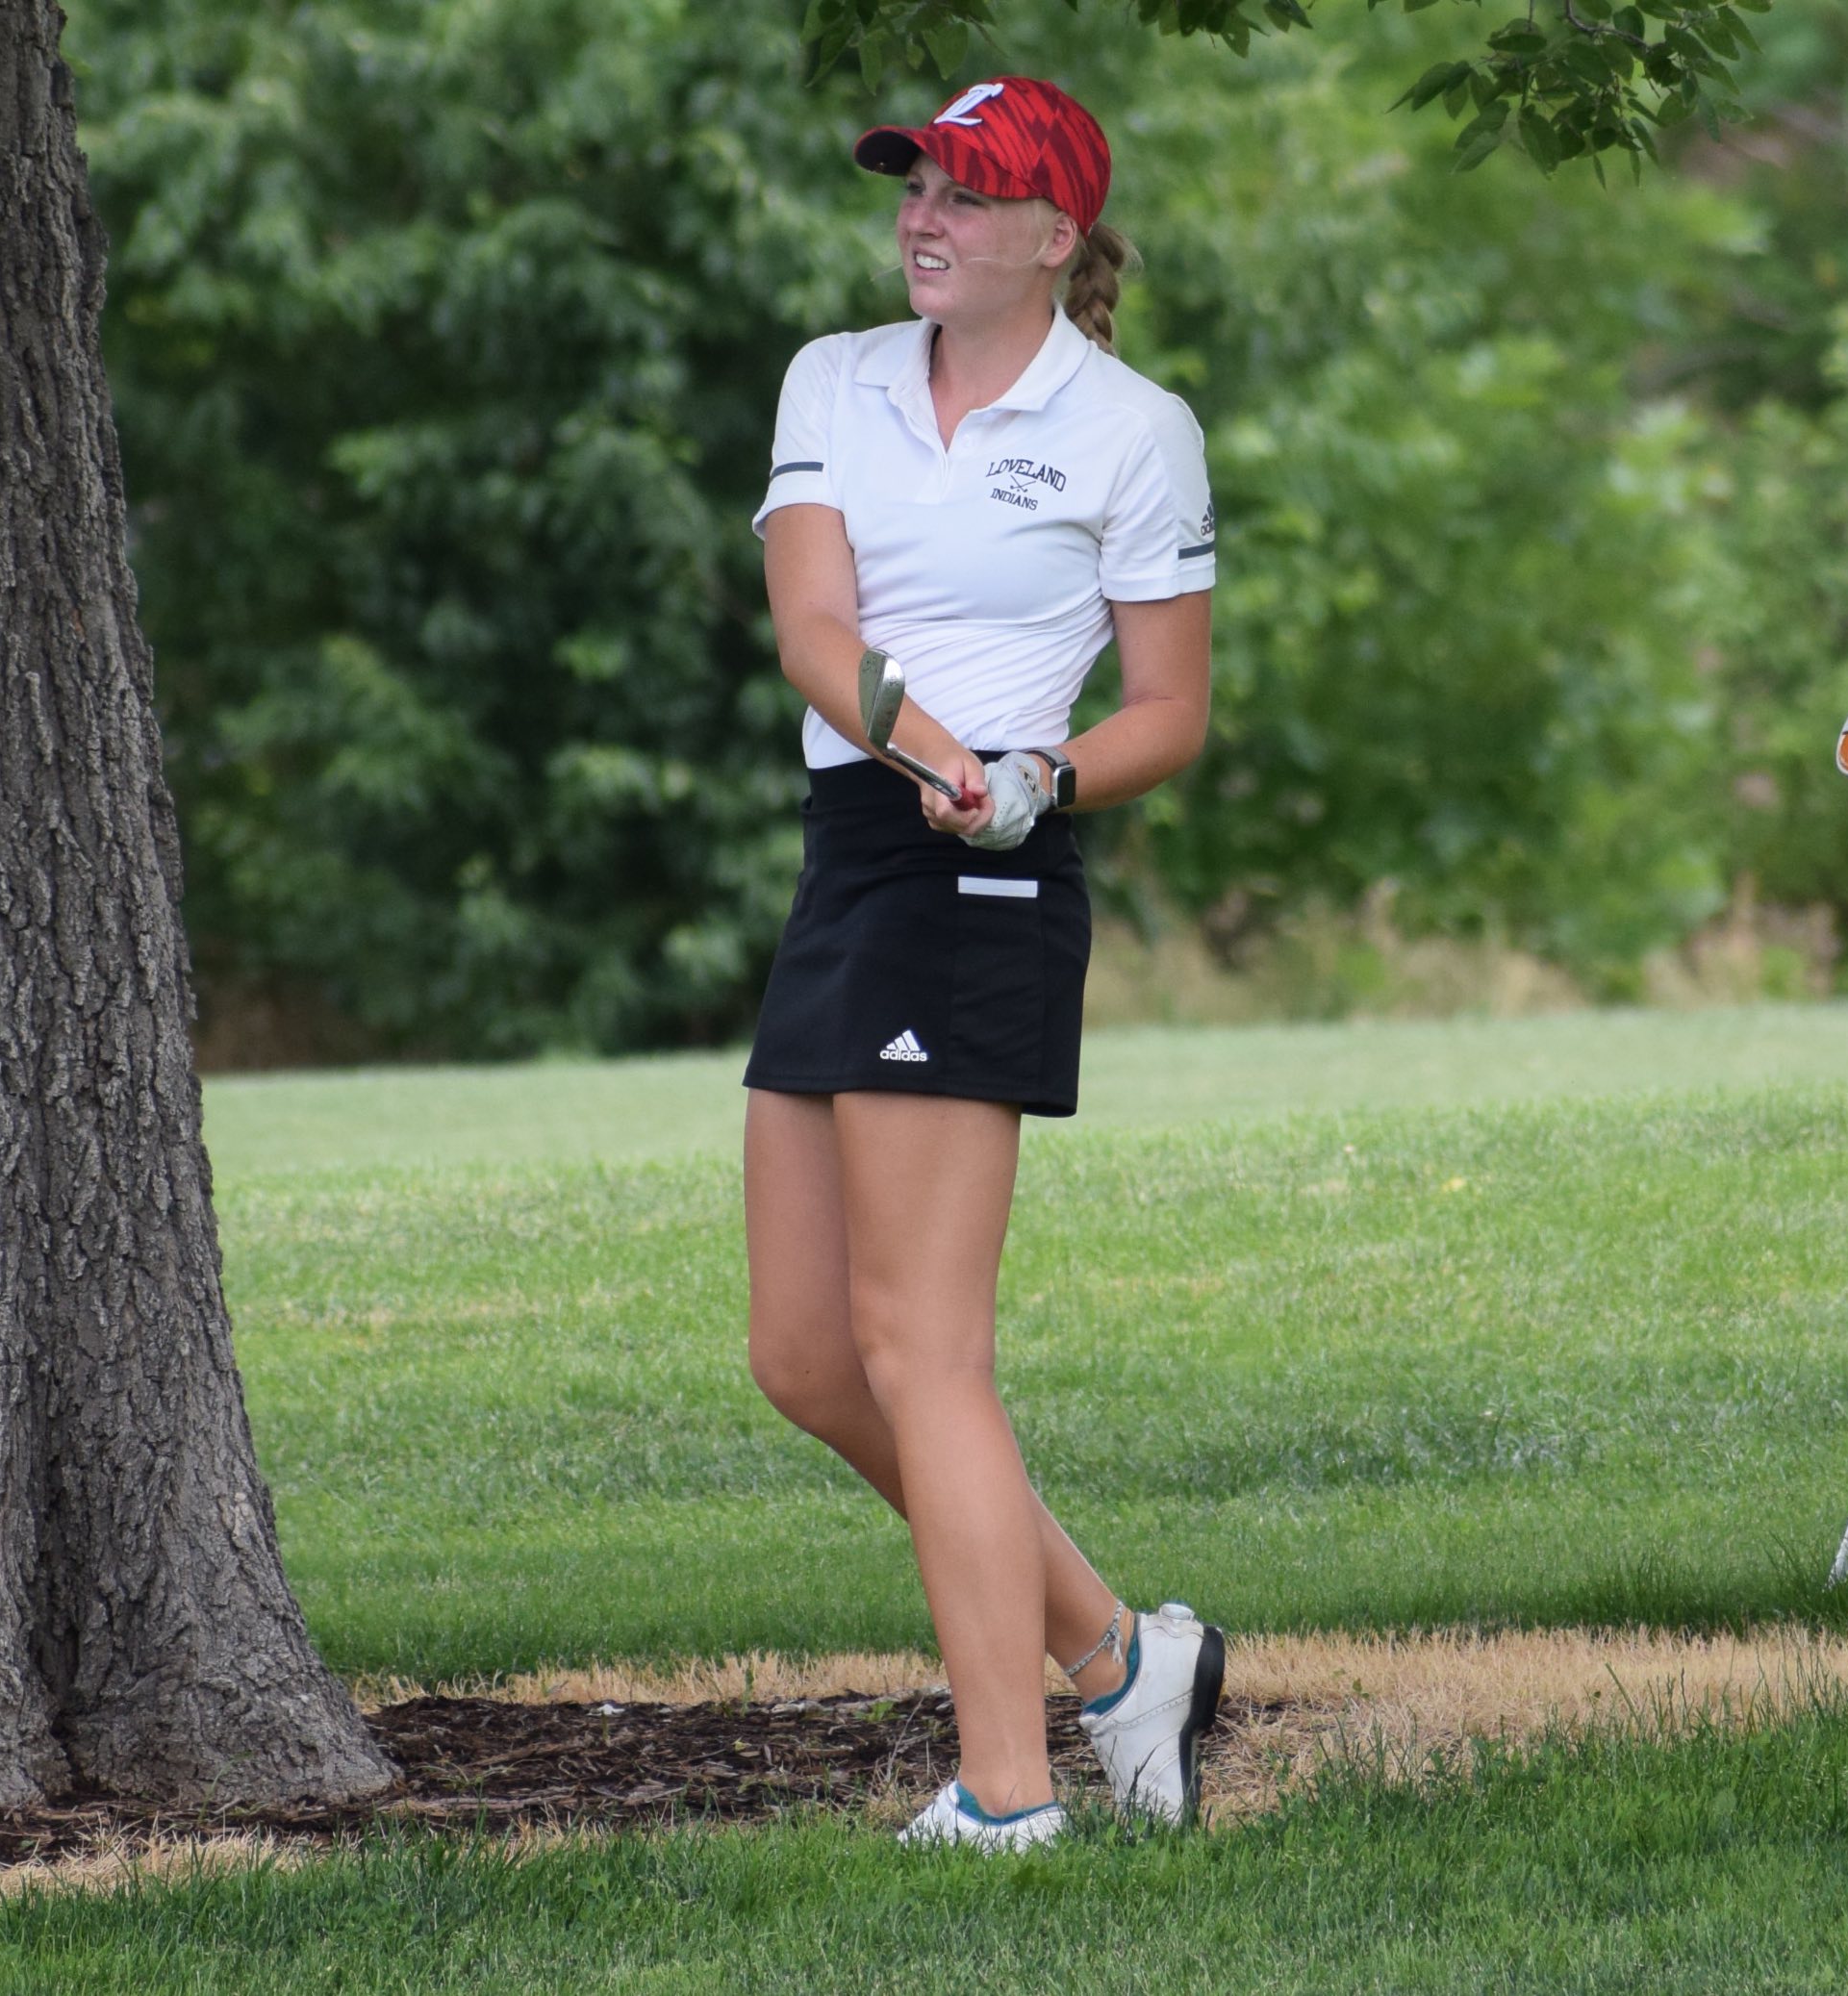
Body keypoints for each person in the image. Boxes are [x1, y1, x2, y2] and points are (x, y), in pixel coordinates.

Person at [743, 75, 1221, 1855]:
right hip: (865, 846)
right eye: (913, 185)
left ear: (1057, 235)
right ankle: (1113, 1657)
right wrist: (934, 748)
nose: (922, 216)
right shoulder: (832, 377)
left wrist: (1026, 778)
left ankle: (1009, 1798)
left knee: (920, 1349)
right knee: (804, 1354)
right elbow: (812, 625)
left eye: (966, 193)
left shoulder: (1131, 428)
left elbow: (1170, 710)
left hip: (991, 871)